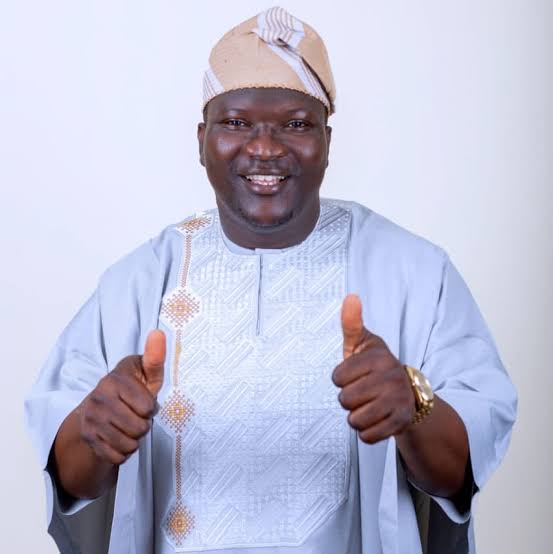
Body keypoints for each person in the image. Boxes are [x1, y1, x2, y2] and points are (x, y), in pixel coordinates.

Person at [25, 7, 517, 554]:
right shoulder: (136, 283)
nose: (264, 147)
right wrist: (93, 434)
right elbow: (69, 476)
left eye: (296, 124)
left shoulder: (416, 273)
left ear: (327, 142)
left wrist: (413, 407)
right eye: (236, 122)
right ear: (201, 140)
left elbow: (460, 470)